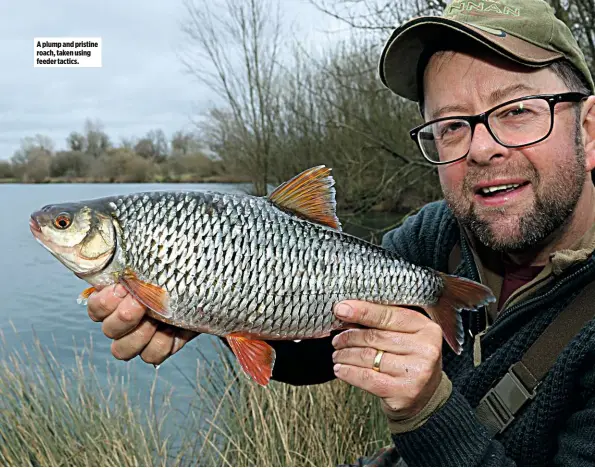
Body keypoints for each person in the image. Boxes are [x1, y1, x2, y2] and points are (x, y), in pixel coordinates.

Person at [87, 0, 595, 464]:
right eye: (452, 125)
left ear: (589, 130)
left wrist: (425, 409)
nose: (482, 149)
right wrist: (214, 298)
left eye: (517, 111)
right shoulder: (440, 236)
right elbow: (320, 342)